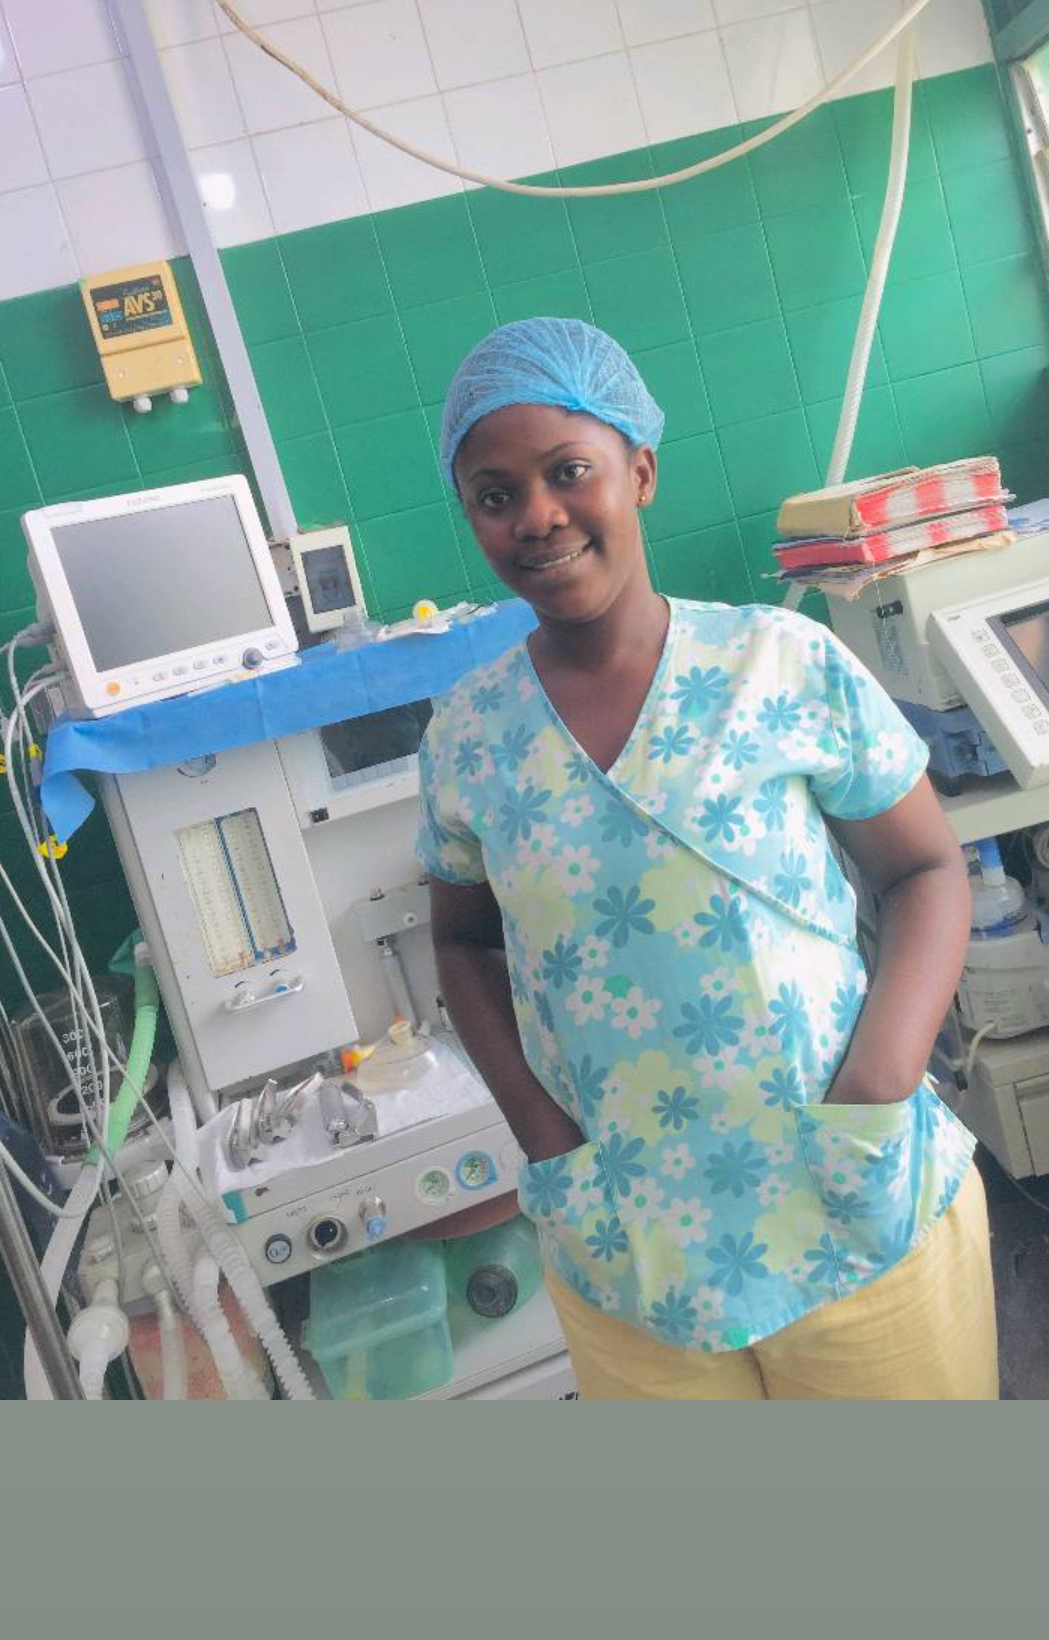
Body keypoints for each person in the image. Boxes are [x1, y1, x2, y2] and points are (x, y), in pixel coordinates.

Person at [416, 317, 998, 1400]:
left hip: (852, 1204)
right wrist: (545, 1139)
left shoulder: (779, 662)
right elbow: (461, 945)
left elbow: (924, 871)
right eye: (495, 495)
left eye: (568, 472)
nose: (536, 516)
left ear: (639, 471)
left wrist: (879, 1083)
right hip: (630, 1251)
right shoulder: (468, 736)